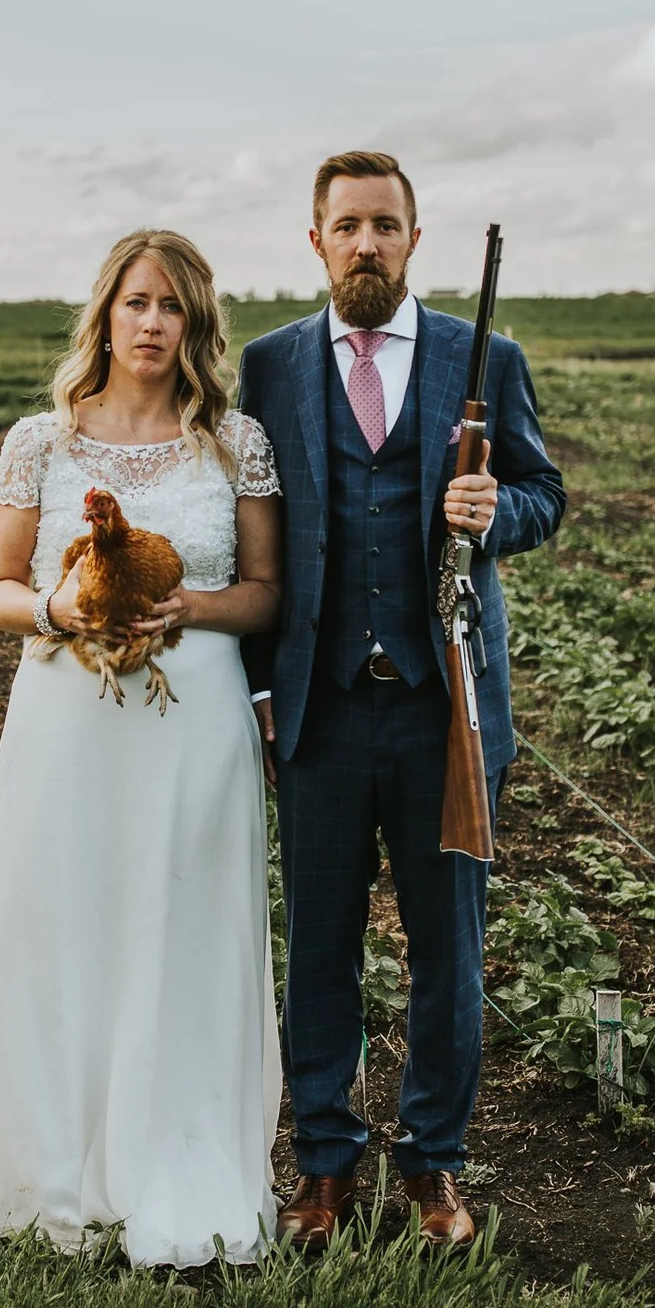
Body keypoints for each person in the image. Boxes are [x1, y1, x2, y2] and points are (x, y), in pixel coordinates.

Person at [0, 228, 286, 1267]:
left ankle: (175, 1160)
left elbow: (265, 592)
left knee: (183, 926)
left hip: (193, 718)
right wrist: (59, 605)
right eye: (135, 301)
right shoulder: (41, 440)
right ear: (105, 313)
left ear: (196, 324)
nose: (152, 322)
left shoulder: (235, 442)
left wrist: (186, 607)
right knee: (59, 925)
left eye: (172, 306)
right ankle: (49, 1165)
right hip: (64, 720)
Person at [238, 150, 566, 1251]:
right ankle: (323, 1164)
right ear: (316, 239)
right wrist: (257, 690)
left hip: (447, 713)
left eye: (385, 224)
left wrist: (494, 507)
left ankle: (434, 1165)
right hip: (319, 715)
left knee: (449, 954)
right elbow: (249, 524)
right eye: (347, 226)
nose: (366, 243)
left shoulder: (487, 356)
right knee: (318, 950)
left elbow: (544, 491)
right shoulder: (270, 365)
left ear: (414, 240)